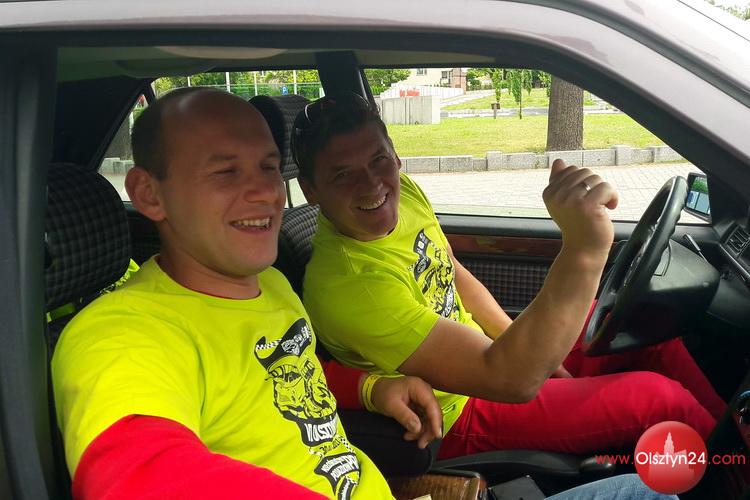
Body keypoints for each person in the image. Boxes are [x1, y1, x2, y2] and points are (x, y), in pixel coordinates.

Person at [51, 87, 444, 499]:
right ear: (150, 194)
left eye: (268, 167)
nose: (266, 192)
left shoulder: (269, 282)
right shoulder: (121, 333)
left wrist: (371, 388)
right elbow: (136, 475)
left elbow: (286, 372)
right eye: (226, 172)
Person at [294, 92, 726, 461]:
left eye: (378, 160)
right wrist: (585, 248)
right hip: (461, 411)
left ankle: (735, 439)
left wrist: (531, 351)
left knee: (642, 322)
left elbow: (453, 273)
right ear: (310, 190)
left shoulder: (403, 192)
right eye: (342, 174)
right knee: (661, 402)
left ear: (396, 156)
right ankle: (734, 477)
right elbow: (508, 379)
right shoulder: (350, 285)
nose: (372, 185)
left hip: (487, 356)